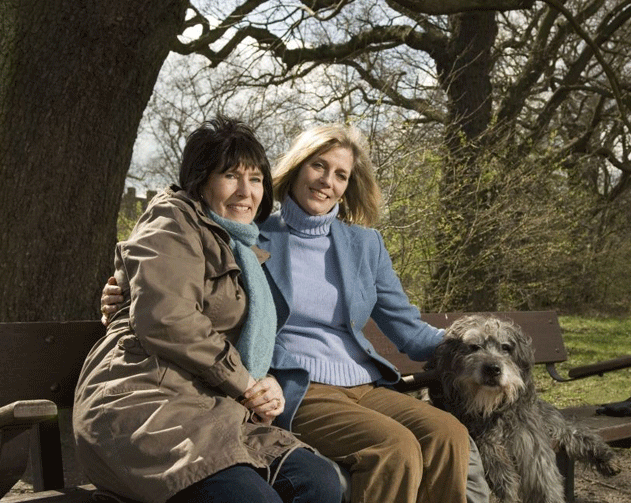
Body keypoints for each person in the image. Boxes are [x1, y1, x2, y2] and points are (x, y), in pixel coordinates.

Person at [102, 124, 489, 503]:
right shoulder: (251, 231)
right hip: (300, 387)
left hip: (366, 386)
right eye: (318, 166)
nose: (327, 181)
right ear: (298, 167)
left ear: (349, 185)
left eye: (341, 174)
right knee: (393, 447)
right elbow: (185, 279)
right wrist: (123, 289)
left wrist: (474, 342)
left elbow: (408, 329)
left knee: (448, 433)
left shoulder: (365, 245)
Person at [77, 116, 342, 503]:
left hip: (214, 408)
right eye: (230, 176)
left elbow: (245, 338)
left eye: (255, 179)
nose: (246, 192)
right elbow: (167, 318)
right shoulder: (171, 222)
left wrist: (265, 382)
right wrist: (246, 383)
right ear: (201, 180)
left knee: (320, 483)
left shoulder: (243, 248)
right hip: (145, 400)